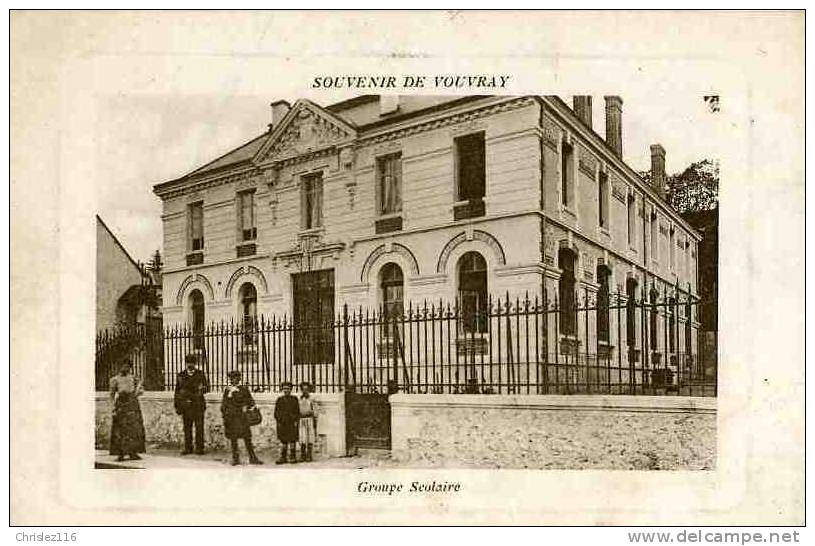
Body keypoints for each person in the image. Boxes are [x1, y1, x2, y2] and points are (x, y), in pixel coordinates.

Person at [221, 370, 263, 466]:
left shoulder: (244, 389)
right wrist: (225, 413)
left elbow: (250, 401)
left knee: (247, 437)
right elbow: (224, 404)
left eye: (235, 378)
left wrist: (246, 406)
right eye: (231, 378)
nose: (233, 380)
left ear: (239, 379)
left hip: (242, 418)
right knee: (233, 438)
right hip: (232, 418)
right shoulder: (228, 390)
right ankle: (236, 458)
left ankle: (253, 458)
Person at [109, 360, 146, 462]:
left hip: (132, 404)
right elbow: (112, 395)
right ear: (119, 367)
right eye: (123, 366)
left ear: (130, 368)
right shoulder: (114, 380)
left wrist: (138, 391)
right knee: (120, 429)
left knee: (134, 429)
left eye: (127, 367)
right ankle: (120, 454)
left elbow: (141, 391)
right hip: (121, 404)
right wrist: (113, 408)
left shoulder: (134, 379)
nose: (125, 368)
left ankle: (133, 453)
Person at [174, 354, 209, 455]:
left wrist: (202, 390)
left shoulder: (200, 374)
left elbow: (207, 387)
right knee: (187, 427)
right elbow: (177, 391)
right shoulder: (181, 375)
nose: (190, 365)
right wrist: (177, 405)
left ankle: (200, 448)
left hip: (198, 405)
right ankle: (188, 448)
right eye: (188, 362)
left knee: (199, 427)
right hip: (186, 406)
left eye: (192, 363)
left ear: (195, 363)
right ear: (186, 363)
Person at [273, 381, 300, 464]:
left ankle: (292, 456)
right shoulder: (279, 400)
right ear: (282, 389)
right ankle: (283, 457)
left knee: (292, 439)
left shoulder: (294, 399)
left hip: (292, 422)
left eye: (288, 389)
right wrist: (279, 421)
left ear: (291, 390)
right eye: (284, 389)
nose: (286, 390)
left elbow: (297, 411)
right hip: (283, 423)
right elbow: (276, 412)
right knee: (283, 440)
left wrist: (295, 421)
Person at [298, 381, 317, 462]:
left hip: (309, 419)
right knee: (302, 437)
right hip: (301, 420)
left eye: (307, 389)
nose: (305, 391)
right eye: (303, 389)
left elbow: (315, 410)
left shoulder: (312, 399)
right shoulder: (299, 399)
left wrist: (314, 417)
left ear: (309, 390)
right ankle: (303, 454)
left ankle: (309, 455)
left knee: (310, 437)